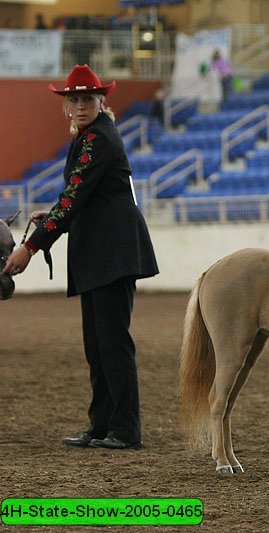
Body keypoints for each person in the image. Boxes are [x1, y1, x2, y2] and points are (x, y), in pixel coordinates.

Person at [3, 65, 159, 450]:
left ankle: (124, 429)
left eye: (86, 98)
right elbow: (80, 197)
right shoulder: (92, 138)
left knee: (111, 343)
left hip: (111, 254)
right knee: (98, 344)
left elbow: (75, 199)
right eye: (74, 99)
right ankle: (103, 425)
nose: (79, 105)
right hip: (102, 253)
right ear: (67, 105)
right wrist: (51, 216)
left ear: (99, 101)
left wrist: (31, 246)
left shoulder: (97, 140)